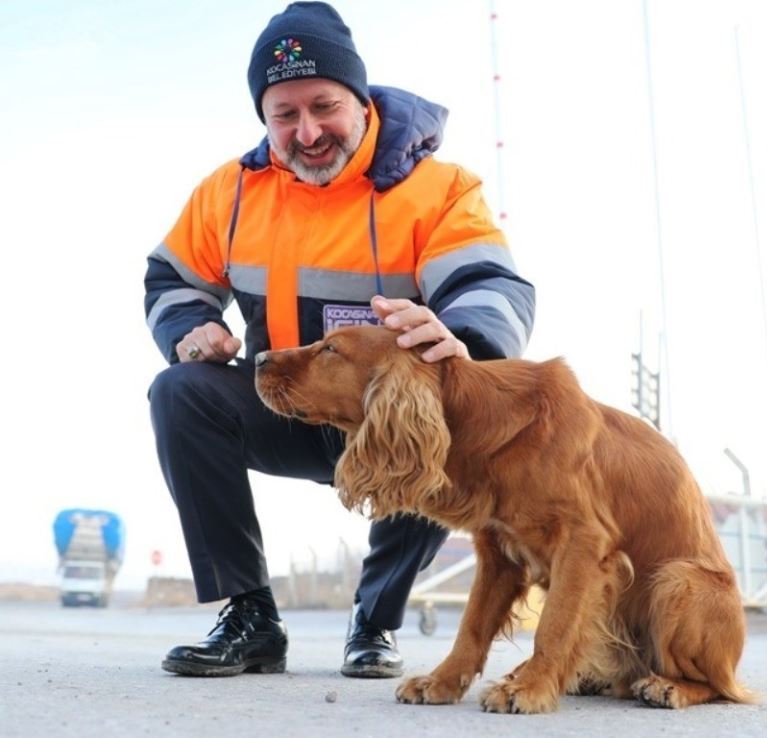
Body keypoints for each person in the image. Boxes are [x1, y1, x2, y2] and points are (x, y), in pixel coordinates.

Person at [144, 1, 535, 679]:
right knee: (178, 393)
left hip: (390, 414)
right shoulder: (230, 193)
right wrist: (189, 327)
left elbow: (491, 282)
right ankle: (249, 617)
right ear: (264, 118)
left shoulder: (436, 188)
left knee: (444, 400)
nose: (308, 130)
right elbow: (169, 278)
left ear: (359, 98)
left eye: (324, 106)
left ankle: (375, 622)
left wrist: (461, 334)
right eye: (284, 115)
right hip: (287, 404)